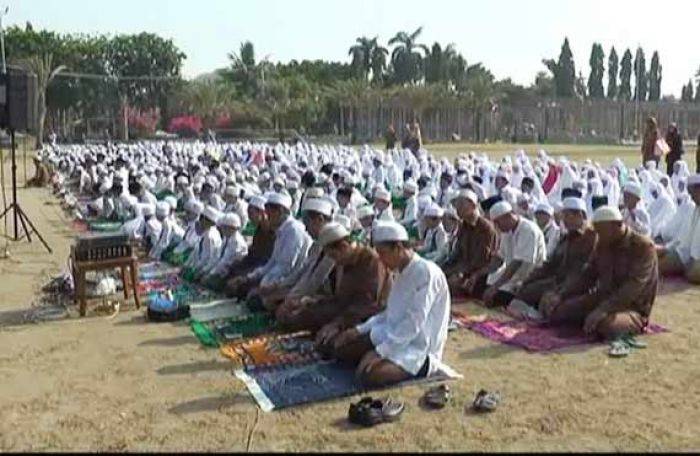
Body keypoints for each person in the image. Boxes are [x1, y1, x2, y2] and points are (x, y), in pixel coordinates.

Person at [331, 221, 450, 387]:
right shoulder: (400, 272)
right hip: (392, 335)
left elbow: (413, 324)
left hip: (417, 348)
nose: (380, 259)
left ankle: (422, 369)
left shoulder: (426, 272)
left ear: (399, 247)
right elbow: (389, 314)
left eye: (383, 253)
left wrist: (380, 352)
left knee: (371, 376)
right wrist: (358, 331)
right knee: (341, 348)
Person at [542, 206, 658, 340]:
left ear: (617, 226)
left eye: (601, 231)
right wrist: (561, 294)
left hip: (632, 307)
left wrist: (603, 309)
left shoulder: (642, 247)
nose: (598, 235)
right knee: (560, 312)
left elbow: (633, 287)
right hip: (602, 299)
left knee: (606, 326)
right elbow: (587, 276)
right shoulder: (603, 244)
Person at [279, 223, 389, 346]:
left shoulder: (371, 261)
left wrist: (337, 325)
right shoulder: (344, 262)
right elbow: (340, 298)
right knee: (299, 316)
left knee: (337, 345)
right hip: (344, 311)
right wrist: (313, 302)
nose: (335, 261)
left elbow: (366, 305)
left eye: (334, 256)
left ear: (344, 246)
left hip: (365, 317)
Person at [515, 197, 597, 316]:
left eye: (568, 216)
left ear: (580, 216)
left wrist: (559, 292)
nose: (565, 221)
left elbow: (580, 273)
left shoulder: (591, 238)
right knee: (525, 291)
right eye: (564, 216)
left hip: (576, 287)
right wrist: (527, 280)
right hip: (558, 282)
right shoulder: (566, 238)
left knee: (558, 308)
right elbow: (549, 265)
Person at [231, 192, 312, 300]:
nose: (268, 218)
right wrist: (249, 278)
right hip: (275, 278)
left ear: (281, 211)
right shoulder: (281, 230)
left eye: (270, 214)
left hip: (290, 281)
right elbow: (272, 263)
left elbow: (286, 267)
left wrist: (265, 284)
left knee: (253, 298)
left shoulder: (293, 231)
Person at [261, 197, 335, 310]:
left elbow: (315, 281)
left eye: (308, 224)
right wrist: (279, 287)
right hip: (304, 292)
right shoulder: (316, 246)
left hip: (321, 297)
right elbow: (302, 272)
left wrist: (291, 297)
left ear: (319, 220)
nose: (306, 230)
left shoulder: (333, 246)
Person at [482, 201, 547, 308]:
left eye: (498, 222)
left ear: (509, 216)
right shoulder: (506, 231)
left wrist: (495, 287)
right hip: (511, 276)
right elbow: (499, 258)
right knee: (481, 284)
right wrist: (478, 275)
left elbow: (517, 264)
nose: (496, 226)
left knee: (497, 296)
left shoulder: (528, 230)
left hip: (527, 278)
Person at [443, 190, 499, 298]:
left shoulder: (486, 228)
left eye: (461, 205)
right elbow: (458, 251)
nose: (457, 209)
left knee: (452, 284)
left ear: (472, 206)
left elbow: (482, 260)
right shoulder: (464, 225)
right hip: (462, 267)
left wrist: (459, 272)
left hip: (479, 273)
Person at [657, 174, 700, 284]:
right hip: (686, 254)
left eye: (693, 194)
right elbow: (683, 239)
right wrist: (667, 248)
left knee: (693, 274)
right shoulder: (693, 209)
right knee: (660, 264)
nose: (691, 198)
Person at [203, 213, 248, 287]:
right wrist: (206, 270)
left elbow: (225, 261)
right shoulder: (227, 238)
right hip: (223, 270)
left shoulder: (237, 242)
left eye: (225, 227)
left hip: (233, 272)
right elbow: (217, 257)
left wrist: (211, 274)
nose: (222, 229)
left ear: (232, 228)